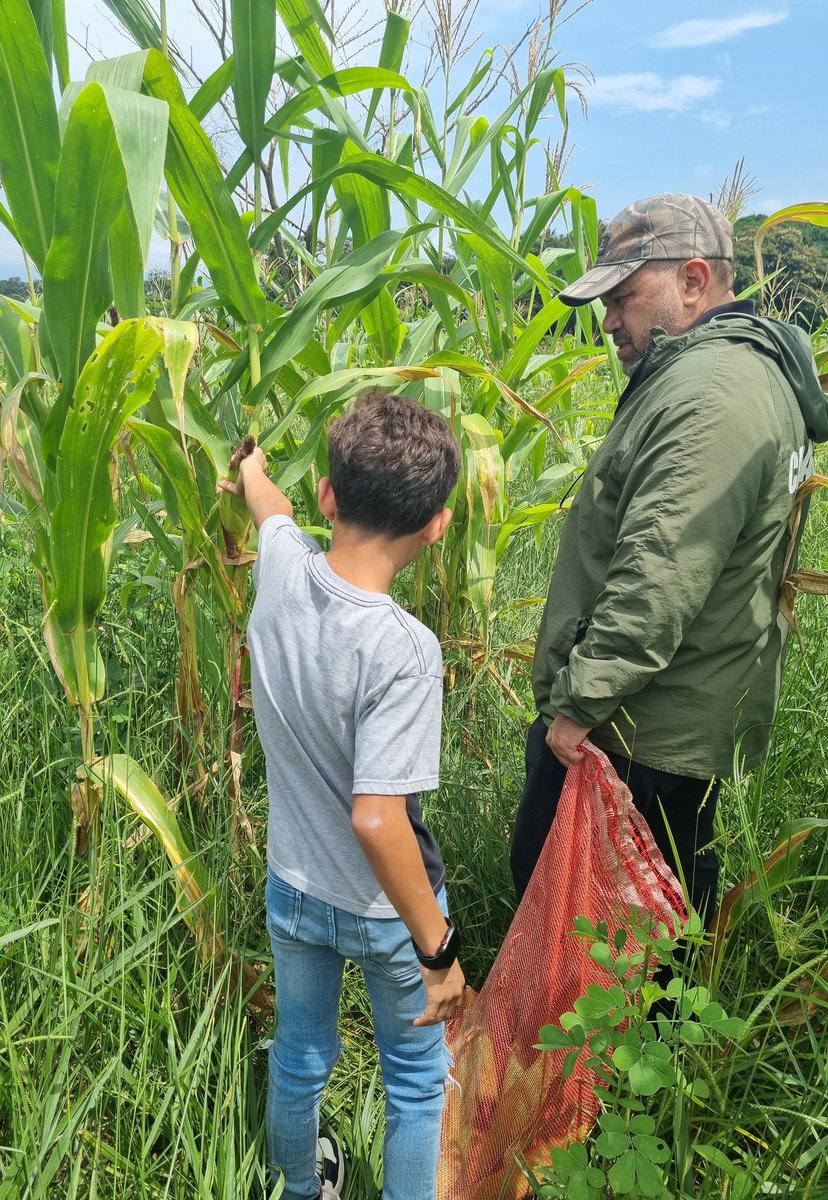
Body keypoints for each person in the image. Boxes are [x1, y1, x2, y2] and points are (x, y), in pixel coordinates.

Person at [511, 193, 828, 926]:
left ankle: (593, 1043)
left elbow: (659, 576)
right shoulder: (737, 370)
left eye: (625, 297)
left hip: (637, 726)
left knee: (579, 915)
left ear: (692, 280)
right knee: (666, 898)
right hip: (681, 711)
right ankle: (660, 1038)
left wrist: (575, 708)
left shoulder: (710, 394)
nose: (611, 321)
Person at [221, 390, 465, 1200]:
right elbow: (377, 815)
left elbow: (270, 507)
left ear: (329, 496)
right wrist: (438, 951)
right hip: (387, 913)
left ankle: (299, 1189)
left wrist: (249, 467)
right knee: (416, 1079)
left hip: (293, 887)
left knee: (299, 1054)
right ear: (436, 525)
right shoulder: (405, 650)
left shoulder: (283, 566)